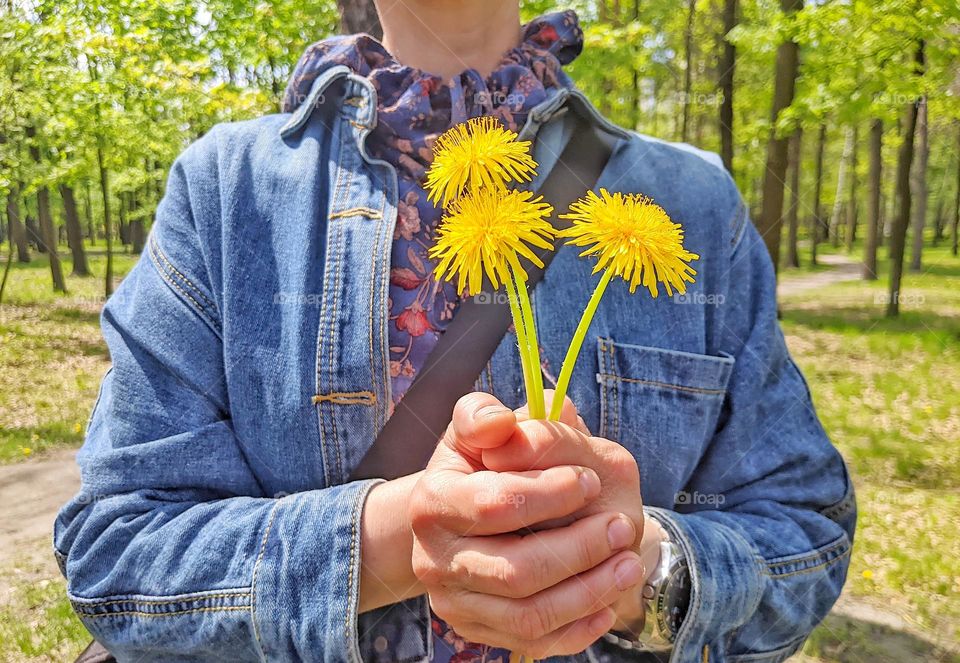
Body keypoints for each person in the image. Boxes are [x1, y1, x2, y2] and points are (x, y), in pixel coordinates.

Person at [54, 1, 856, 661]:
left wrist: (638, 568)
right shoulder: (221, 191)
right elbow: (113, 552)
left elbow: (805, 530)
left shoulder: (697, 203)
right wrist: (394, 540)